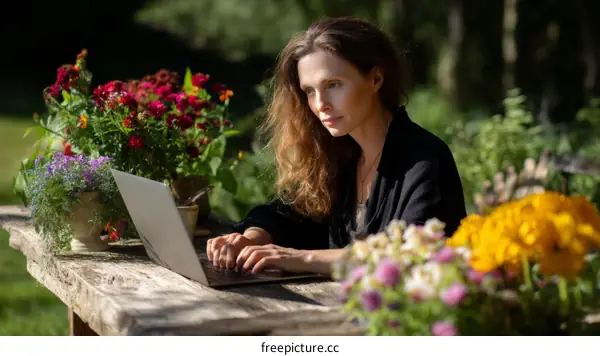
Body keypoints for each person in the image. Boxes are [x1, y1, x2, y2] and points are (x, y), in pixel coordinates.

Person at [206, 17, 467, 275]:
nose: (321, 104)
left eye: (333, 85)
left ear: (376, 79)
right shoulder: (342, 153)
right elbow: (289, 213)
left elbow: (410, 253)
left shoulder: (424, 160)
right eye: (309, 91)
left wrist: (303, 258)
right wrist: (250, 238)